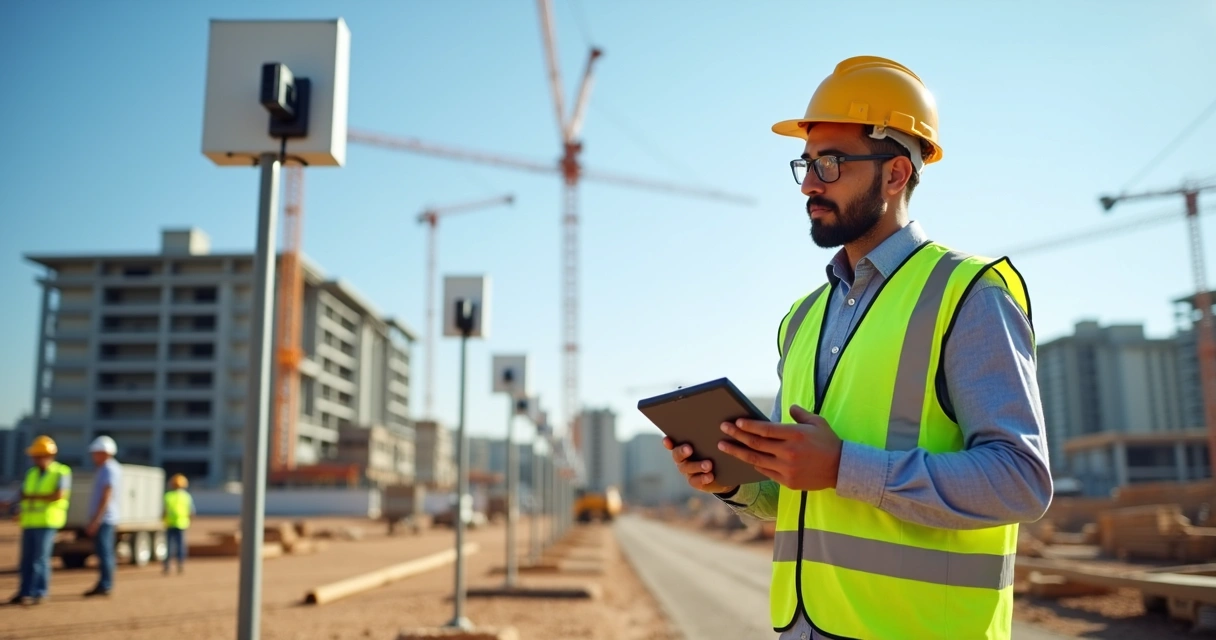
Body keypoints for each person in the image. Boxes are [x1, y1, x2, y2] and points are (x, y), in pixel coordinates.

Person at [664, 55, 1052, 639]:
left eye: (830, 162)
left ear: (896, 174)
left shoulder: (966, 296)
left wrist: (845, 466)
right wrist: (732, 480)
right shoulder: (801, 321)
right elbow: (793, 489)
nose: (809, 183)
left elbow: (1020, 481)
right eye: (806, 162)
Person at [6, 436, 71, 606]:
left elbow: (59, 495)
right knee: (26, 560)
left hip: (47, 522)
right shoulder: (32, 473)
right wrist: (18, 509)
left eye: (38, 455)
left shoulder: (61, 472)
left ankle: (40, 592)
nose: (35, 458)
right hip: (29, 522)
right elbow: (23, 495)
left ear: (48, 455)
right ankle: (24, 592)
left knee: (40, 560)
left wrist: (33, 497)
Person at [83, 435, 121, 598]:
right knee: (104, 552)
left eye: (96, 452)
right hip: (105, 518)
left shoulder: (109, 469)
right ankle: (104, 583)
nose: (93, 456)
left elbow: (106, 495)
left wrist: (96, 520)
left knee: (105, 553)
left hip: (105, 519)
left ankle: (106, 584)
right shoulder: (106, 468)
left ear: (105, 453)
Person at [162, 473, 194, 575]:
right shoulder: (186, 496)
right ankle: (180, 565)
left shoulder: (168, 496)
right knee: (180, 546)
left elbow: (164, 511)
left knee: (169, 546)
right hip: (182, 524)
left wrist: (163, 520)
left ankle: (167, 566)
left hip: (170, 524)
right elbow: (191, 512)